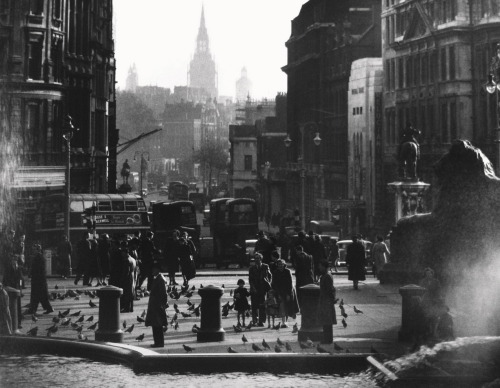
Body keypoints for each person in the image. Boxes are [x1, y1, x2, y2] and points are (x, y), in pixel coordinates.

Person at [145, 261, 168, 348]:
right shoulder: (157, 278)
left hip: (157, 305)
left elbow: (164, 293)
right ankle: (157, 342)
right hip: (155, 304)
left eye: (153, 269)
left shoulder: (160, 279)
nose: (152, 271)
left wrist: (163, 304)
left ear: (157, 270)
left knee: (157, 324)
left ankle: (159, 342)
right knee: (155, 324)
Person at [272, 259, 299, 327]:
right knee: (282, 306)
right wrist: (278, 293)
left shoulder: (287, 271)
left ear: (284, 265)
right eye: (279, 265)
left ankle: (286, 320)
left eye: (281, 264)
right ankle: (284, 322)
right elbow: (274, 284)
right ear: (277, 265)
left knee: (288, 306)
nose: (280, 266)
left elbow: (290, 283)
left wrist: (288, 294)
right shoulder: (275, 272)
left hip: (288, 290)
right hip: (279, 291)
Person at [28, 244, 53, 314]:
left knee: (37, 295)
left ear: (37, 250)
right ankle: (33, 309)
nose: (33, 251)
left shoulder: (39, 257)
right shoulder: (38, 257)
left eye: (34, 249)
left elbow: (38, 270)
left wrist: (31, 274)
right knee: (40, 296)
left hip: (38, 280)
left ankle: (33, 309)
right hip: (39, 280)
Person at [248, 253, 272, 326]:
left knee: (262, 305)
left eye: (258, 258)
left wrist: (268, 284)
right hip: (254, 288)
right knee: (254, 305)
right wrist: (253, 287)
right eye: (255, 258)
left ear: (261, 259)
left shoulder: (265, 266)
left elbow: (270, 276)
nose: (256, 260)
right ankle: (254, 320)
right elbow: (250, 279)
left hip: (262, 288)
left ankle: (261, 321)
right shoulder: (252, 268)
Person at [317, 259, 337, 344]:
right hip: (325, 300)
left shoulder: (326, 276)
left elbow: (330, 289)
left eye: (320, 266)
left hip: (326, 301)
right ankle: (327, 338)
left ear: (324, 267)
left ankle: (327, 339)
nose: (319, 268)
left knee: (327, 321)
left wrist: (331, 299)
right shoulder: (325, 275)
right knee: (326, 321)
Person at [119, 241, 137, 313]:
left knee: (126, 293)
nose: (121, 254)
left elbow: (126, 271)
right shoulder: (133, 259)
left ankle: (127, 308)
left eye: (122, 253)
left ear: (125, 253)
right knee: (131, 293)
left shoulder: (126, 260)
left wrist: (122, 279)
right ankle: (131, 308)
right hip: (133, 277)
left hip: (128, 278)